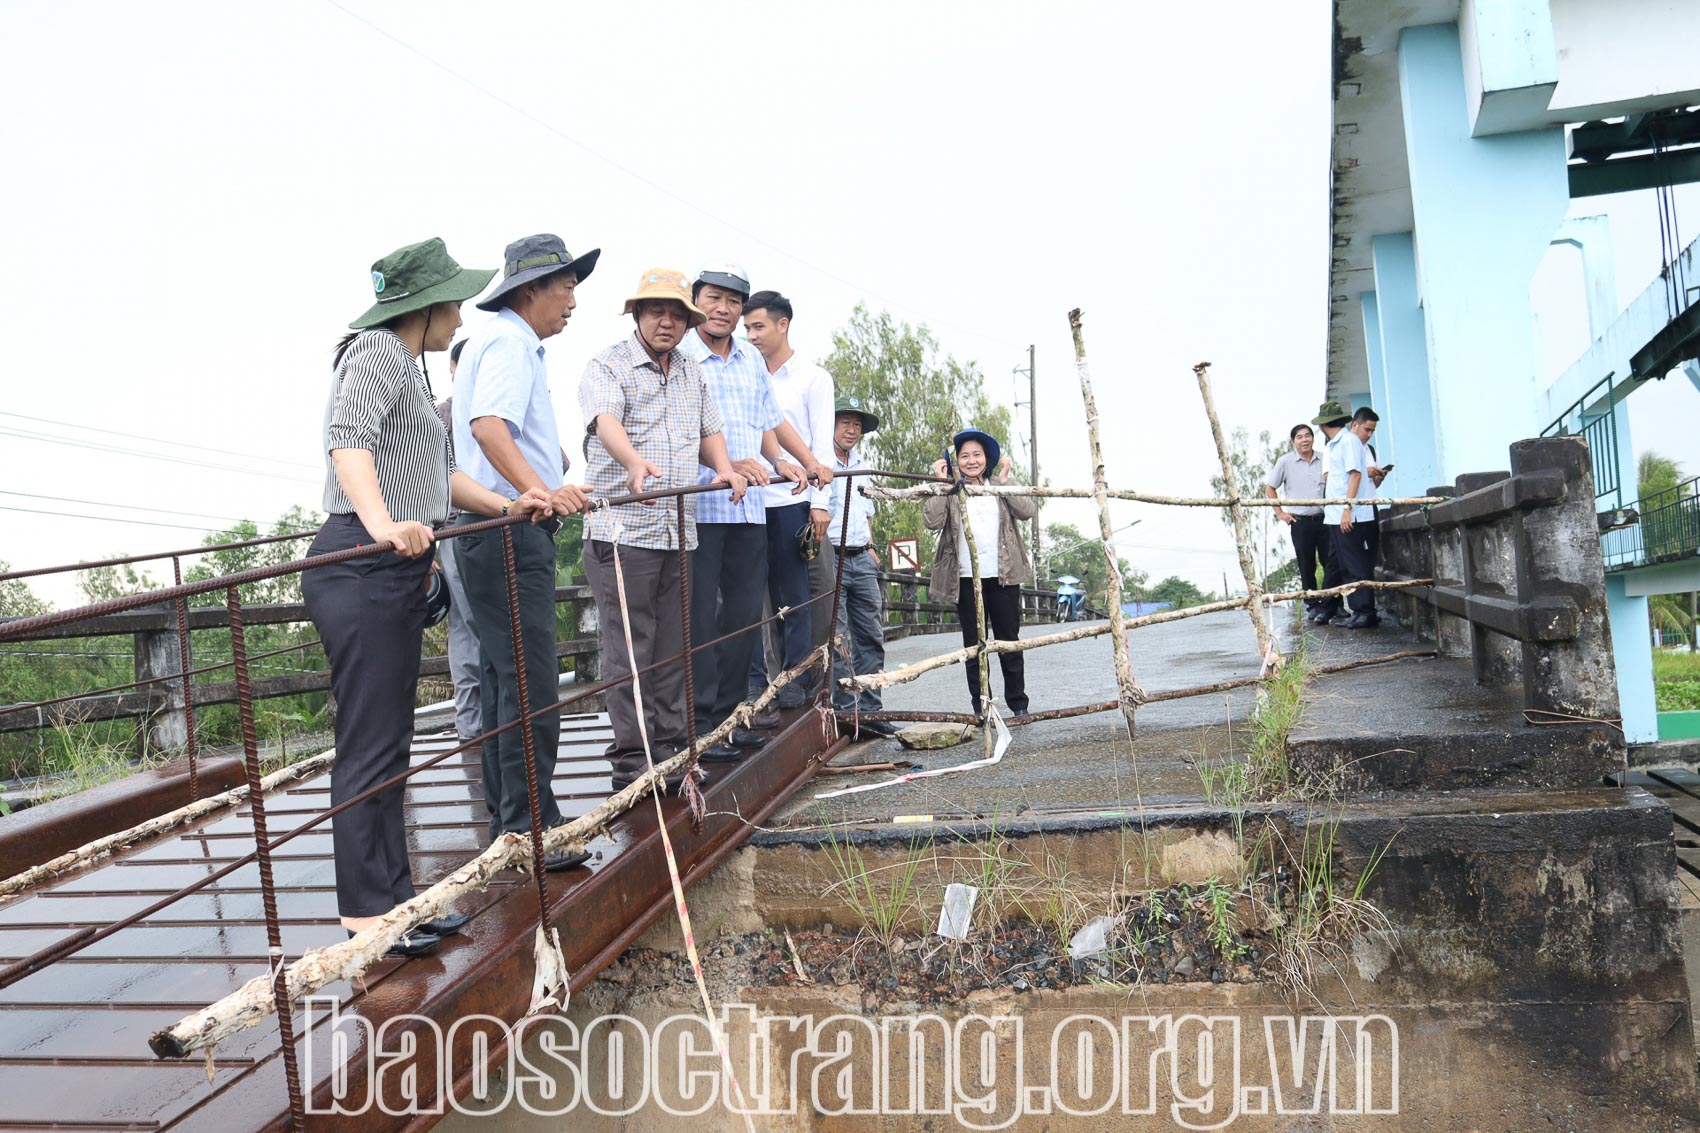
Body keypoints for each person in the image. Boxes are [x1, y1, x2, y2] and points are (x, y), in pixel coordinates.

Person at [305, 237, 556, 955]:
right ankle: (367, 918)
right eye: (454, 299)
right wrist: (384, 526)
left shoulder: (411, 371)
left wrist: (507, 504)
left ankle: (395, 901)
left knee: (392, 746)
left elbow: (439, 479)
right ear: (428, 305)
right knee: (369, 749)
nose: (460, 312)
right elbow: (346, 437)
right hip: (360, 559)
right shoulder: (377, 351)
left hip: (391, 565)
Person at [452, 234, 596, 870]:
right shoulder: (511, 342)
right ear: (529, 290)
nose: (571, 300)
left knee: (501, 674)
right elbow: (489, 428)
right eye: (565, 286)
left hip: (483, 527)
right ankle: (533, 823)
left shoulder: (494, 342)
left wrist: (542, 464)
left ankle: (509, 820)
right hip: (510, 528)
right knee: (530, 676)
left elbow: (489, 430)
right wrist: (540, 489)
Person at [579, 268, 749, 792]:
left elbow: (709, 429)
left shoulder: (691, 372)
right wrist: (632, 462)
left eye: (677, 314)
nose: (667, 322)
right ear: (637, 314)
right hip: (622, 531)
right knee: (631, 650)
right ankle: (634, 765)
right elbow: (605, 421)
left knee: (674, 647)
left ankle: (676, 753)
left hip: (678, 530)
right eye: (657, 311)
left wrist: (722, 467)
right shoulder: (607, 364)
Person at [680, 264, 831, 760]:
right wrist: (727, 463)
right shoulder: (680, 355)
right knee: (701, 617)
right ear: (696, 300)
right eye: (712, 298)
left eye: (732, 301)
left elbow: (770, 423)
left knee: (745, 617)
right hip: (700, 503)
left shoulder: (748, 358)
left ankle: (730, 719)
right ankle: (700, 726)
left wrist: (804, 461)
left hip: (749, 509)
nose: (722, 309)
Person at [741, 291, 836, 714]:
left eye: (758, 326)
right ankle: (764, 686)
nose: (750, 335)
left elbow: (822, 446)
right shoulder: (742, 371)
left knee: (797, 595)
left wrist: (820, 501)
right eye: (747, 328)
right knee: (755, 601)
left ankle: (797, 679)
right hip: (746, 501)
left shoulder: (813, 378)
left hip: (792, 500)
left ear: (783, 325)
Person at [924, 428, 1037, 716]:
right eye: (964, 456)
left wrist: (1005, 480)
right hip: (964, 579)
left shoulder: (998, 488)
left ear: (987, 459)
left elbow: (1027, 510)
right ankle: (981, 706)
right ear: (955, 462)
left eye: (977, 455)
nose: (971, 461)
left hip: (1003, 577)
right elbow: (932, 520)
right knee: (974, 647)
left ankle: (1018, 705)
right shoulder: (951, 490)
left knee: (1009, 642)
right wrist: (941, 481)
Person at [826, 396, 896, 737]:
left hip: (860, 555)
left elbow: (866, 514)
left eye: (857, 425)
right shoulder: (820, 460)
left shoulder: (863, 463)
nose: (851, 430)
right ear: (831, 424)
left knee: (871, 634)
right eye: (845, 423)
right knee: (835, 638)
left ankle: (870, 710)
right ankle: (842, 712)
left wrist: (870, 547)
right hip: (831, 554)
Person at [433, 339, 482, 742]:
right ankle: (487, 726)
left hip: (458, 526)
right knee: (477, 624)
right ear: (453, 367)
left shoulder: (447, 412)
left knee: (466, 628)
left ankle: (474, 726)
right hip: (458, 526)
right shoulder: (443, 415)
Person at [1266, 423, 1328, 621]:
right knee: (1306, 564)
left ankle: (1332, 602)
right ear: (1293, 442)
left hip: (1325, 519)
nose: (1305, 440)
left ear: (1313, 438)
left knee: (1330, 562)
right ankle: (1312, 604)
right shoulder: (1285, 462)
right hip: (1300, 522)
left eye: (1308, 435)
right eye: (1299, 437)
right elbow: (1270, 488)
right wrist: (1280, 513)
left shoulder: (1324, 459)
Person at [1330, 407, 1383, 628]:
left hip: (1357, 511)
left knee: (1357, 563)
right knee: (1350, 563)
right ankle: (1360, 611)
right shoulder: (1347, 443)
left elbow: (1356, 475)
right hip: (1350, 511)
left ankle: (1364, 611)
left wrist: (1347, 508)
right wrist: (1347, 509)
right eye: (1367, 429)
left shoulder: (1352, 444)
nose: (1368, 434)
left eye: (1372, 431)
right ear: (1355, 424)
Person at [1310, 400, 1353, 624]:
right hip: (1335, 513)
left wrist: (1347, 508)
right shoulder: (1332, 446)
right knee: (1334, 562)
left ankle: (1347, 608)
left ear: (1323, 426)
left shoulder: (1346, 442)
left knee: (1346, 563)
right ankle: (1328, 606)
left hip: (1345, 512)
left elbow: (1352, 476)